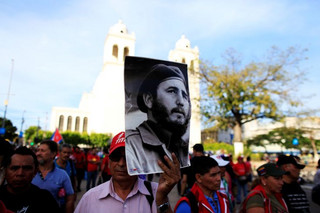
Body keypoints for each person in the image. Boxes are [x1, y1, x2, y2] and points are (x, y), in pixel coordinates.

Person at [75, 131, 181, 213]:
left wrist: (162, 200)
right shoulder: (90, 198)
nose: (121, 163)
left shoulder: (156, 192)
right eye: (116, 157)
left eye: (128, 158)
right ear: (109, 161)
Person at [126, 64, 191, 175]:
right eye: (172, 91)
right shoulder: (131, 144)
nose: (181, 101)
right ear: (149, 100)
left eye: (184, 95)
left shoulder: (181, 148)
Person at [0, 146, 60, 213]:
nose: (20, 173)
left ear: (35, 172)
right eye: (14, 168)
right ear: (5, 171)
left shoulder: (45, 199)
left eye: (26, 168)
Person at [32, 140, 75, 213]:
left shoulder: (62, 174)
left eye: (42, 151)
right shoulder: (30, 172)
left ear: (53, 154)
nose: (38, 153)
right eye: (38, 150)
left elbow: (70, 198)